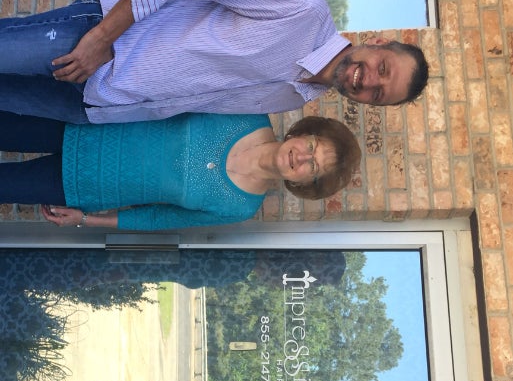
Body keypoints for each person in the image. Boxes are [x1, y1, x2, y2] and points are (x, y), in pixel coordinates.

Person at [0, 0, 429, 125]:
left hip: (94, 104)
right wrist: (100, 38)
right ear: (376, 44)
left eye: (379, 94)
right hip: (94, 42)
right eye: (383, 69)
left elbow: (192, 100)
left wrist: (108, 115)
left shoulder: (295, 98)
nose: (368, 82)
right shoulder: (303, 6)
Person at [0, 110, 361, 230]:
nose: (302, 158)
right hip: (87, 125)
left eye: (313, 169)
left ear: (303, 184)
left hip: (84, 186)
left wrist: (85, 218)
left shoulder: (240, 207)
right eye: (312, 147)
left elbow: (158, 220)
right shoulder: (247, 114)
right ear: (302, 132)